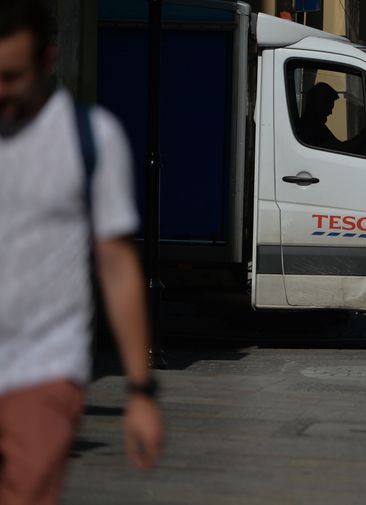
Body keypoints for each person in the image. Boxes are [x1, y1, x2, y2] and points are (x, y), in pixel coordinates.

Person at [0, 2, 164, 503]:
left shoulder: (91, 138)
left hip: (42, 371)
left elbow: (117, 266)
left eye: (12, 77)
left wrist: (141, 391)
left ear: (47, 61)